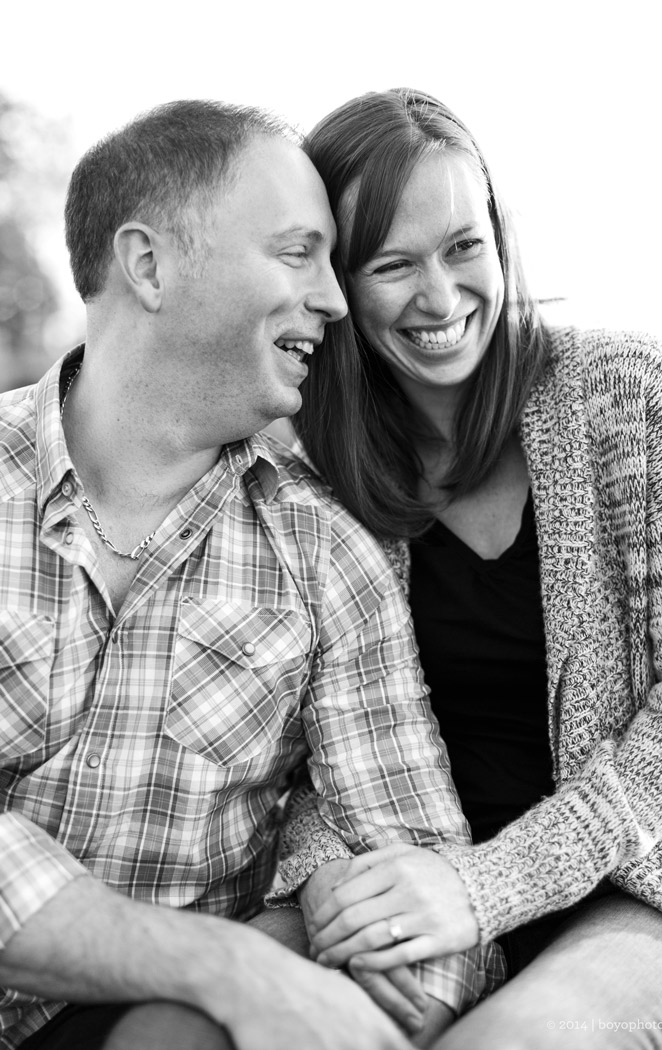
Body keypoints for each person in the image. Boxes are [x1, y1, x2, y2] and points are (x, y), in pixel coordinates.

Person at [0, 99, 505, 1050]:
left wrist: (323, 963)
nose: (338, 300)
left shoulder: (327, 557)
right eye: (296, 253)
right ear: (149, 265)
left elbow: (424, 888)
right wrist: (226, 964)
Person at [273, 88, 662, 1048]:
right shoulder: (313, 477)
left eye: (464, 246)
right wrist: (322, 875)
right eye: (392, 264)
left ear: (501, 237)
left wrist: (489, 886)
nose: (440, 297)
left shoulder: (622, 396)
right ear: (339, 284)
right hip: (414, 886)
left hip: (631, 885)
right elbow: (294, 751)